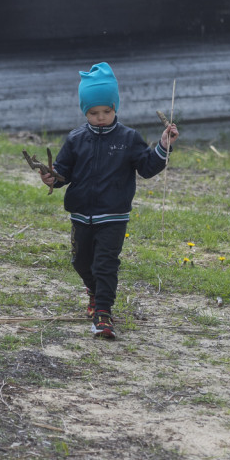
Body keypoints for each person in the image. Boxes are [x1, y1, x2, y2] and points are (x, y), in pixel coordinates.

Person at [39, 62, 179, 340]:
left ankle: (103, 313)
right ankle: (94, 291)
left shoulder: (128, 138)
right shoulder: (75, 139)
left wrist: (163, 145)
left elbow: (148, 168)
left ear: (115, 108)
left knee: (105, 263)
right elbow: (63, 173)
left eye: (107, 111)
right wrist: (53, 178)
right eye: (93, 112)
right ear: (84, 111)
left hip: (113, 216)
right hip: (81, 214)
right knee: (81, 262)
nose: (101, 117)